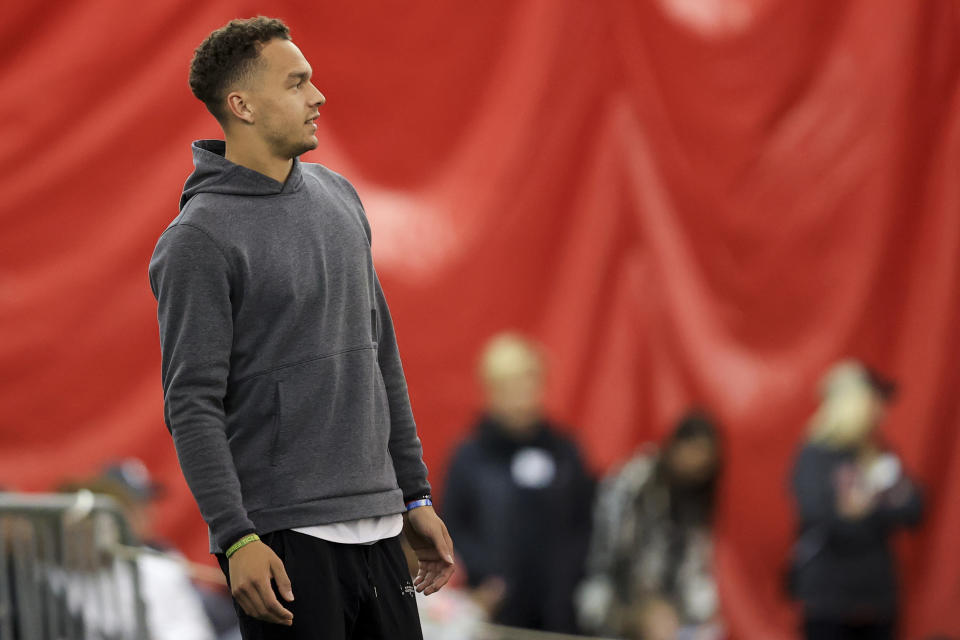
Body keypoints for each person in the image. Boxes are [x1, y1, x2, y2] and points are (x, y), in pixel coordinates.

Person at [148, 17, 454, 640]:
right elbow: (192, 404)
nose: (317, 97)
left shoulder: (341, 198)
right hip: (284, 542)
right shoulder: (196, 241)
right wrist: (235, 538)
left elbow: (381, 357)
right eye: (297, 83)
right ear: (242, 106)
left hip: (382, 527)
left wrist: (414, 496)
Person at [441, 333, 594, 633]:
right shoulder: (470, 456)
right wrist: (486, 576)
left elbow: (584, 521)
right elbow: (454, 526)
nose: (522, 395)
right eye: (510, 387)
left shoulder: (565, 451)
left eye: (529, 383)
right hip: (496, 609)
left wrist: (572, 577)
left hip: (560, 610)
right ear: (491, 391)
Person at [790, 360, 923, 640]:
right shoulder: (815, 455)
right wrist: (881, 508)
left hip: (877, 598)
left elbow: (914, 508)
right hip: (828, 600)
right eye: (875, 402)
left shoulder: (879, 453)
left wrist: (864, 510)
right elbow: (819, 516)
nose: (882, 412)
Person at [576, 409, 724, 640]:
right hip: (618, 603)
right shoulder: (633, 485)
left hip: (671, 613)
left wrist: (693, 615)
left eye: (704, 462)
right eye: (692, 453)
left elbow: (695, 571)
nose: (696, 466)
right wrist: (636, 613)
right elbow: (605, 559)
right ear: (675, 446)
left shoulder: (695, 500)